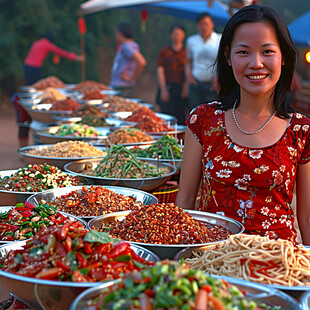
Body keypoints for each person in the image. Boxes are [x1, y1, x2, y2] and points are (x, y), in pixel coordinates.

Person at [175, 5, 310, 245]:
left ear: (284, 57)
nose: (256, 63)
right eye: (243, 52)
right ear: (228, 56)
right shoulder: (203, 120)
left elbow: (307, 219)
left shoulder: (302, 131)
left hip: (278, 267)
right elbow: (184, 203)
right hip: (212, 268)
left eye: (267, 51)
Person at [185, 12, 221, 110]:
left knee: (212, 113)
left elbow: (223, 62)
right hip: (196, 82)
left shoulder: (219, 39)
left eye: (206, 24)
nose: (204, 27)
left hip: (213, 84)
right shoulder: (192, 41)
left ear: (212, 24)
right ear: (197, 25)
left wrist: (219, 78)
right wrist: (189, 77)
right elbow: (188, 61)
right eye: (201, 24)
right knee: (194, 112)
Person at [156, 24, 188, 124]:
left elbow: (189, 69)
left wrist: (186, 87)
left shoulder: (187, 52)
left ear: (183, 35)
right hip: (168, 86)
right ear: (171, 35)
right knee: (166, 117)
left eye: (179, 34)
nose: (177, 36)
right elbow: (160, 70)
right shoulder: (165, 51)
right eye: (175, 34)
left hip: (181, 88)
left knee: (181, 117)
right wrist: (163, 89)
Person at [110, 22, 147, 97]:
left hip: (122, 87)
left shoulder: (127, 46)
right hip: (123, 86)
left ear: (120, 34)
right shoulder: (129, 45)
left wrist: (132, 78)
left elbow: (141, 62)